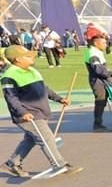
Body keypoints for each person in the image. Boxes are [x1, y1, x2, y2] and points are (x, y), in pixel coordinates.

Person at [1, 45, 81, 178]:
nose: (32, 57)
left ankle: (12, 164)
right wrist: (22, 113)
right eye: (28, 56)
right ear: (18, 59)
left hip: (40, 111)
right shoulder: (9, 76)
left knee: (30, 140)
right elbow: (11, 98)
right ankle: (59, 164)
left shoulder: (33, 71)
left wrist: (59, 99)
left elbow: (45, 89)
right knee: (46, 138)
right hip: (28, 114)